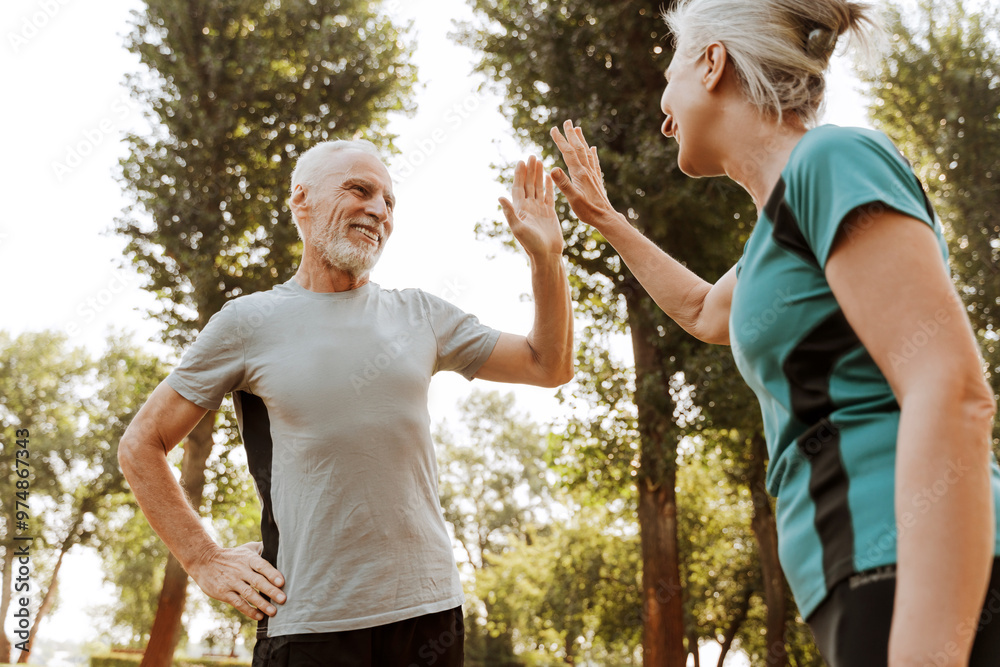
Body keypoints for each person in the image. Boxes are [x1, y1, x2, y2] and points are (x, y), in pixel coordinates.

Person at [547, 0, 1000, 665]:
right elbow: (705, 312)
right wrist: (609, 220)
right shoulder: (773, 238)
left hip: (909, 553)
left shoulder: (834, 157)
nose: (663, 108)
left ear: (712, 62)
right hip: (853, 576)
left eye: (669, 75)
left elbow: (953, 387)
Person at [117, 139, 573, 665]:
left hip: (430, 618)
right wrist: (204, 558)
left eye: (389, 201)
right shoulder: (247, 323)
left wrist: (547, 258)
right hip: (310, 624)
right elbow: (141, 444)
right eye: (360, 190)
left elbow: (548, 365)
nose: (379, 209)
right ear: (301, 201)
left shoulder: (421, 314)